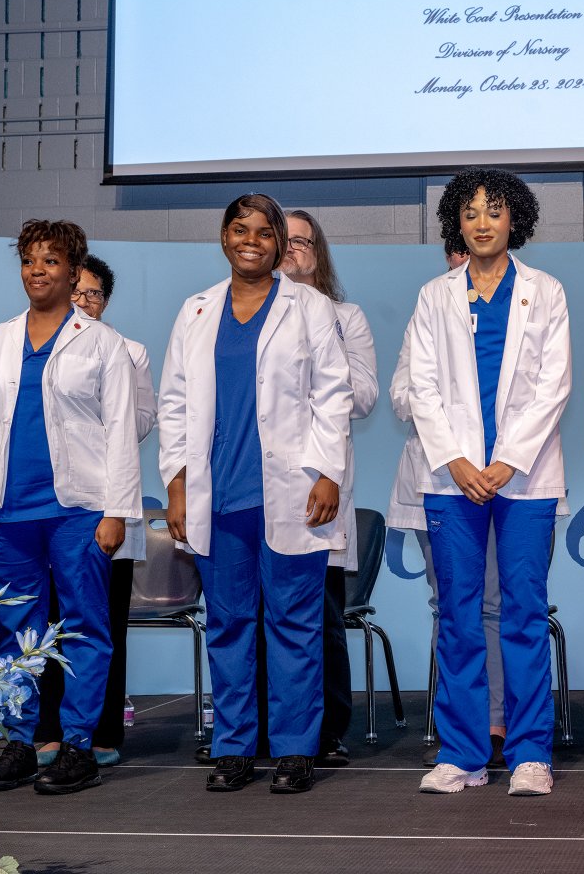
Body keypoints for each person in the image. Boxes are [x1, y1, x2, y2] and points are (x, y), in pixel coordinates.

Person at [157, 193, 352, 795]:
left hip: (290, 494)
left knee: (295, 624)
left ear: (277, 243)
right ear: (223, 237)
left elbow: (334, 395)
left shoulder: (311, 307)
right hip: (218, 498)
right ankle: (235, 747)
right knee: (229, 625)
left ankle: (295, 749)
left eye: (265, 233)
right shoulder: (195, 311)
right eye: (240, 230)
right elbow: (174, 404)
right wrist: (177, 485)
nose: (252, 241)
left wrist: (327, 473)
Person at [0, 220, 142, 796]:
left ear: (73, 269)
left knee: (85, 627)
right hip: (5, 514)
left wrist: (117, 511)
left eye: (51, 262)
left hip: (77, 510)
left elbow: (120, 433)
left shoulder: (103, 343)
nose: (38, 271)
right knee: (15, 629)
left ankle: (79, 744)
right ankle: (21, 741)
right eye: (29, 261)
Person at [405, 168, 571, 796]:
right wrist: (455, 461)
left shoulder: (546, 292)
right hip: (454, 480)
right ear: (457, 221)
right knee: (459, 616)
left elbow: (554, 384)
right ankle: (463, 754)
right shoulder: (433, 297)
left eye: (494, 212)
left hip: (523, 479)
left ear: (514, 221)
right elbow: (421, 387)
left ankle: (530, 754)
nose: (481, 222)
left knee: (524, 612)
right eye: (470, 212)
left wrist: (507, 460)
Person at [33, 254, 158, 769]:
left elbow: (143, 420)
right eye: (76, 292)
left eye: (93, 294)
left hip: (108, 506)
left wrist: (99, 412)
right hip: (48, 508)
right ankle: (48, 729)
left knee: (104, 622)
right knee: (49, 624)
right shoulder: (35, 348)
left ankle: (103, 729)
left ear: (106, 301)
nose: (83, 302)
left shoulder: (128, 352)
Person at [387, 244, 510, 769]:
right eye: (458, 248)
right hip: (440, 480)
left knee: (495, 607)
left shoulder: (521, 304)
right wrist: (444, 419)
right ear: (449, 255)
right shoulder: (430, 307)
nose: (469, 255)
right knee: (453, 609)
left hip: (505, 481)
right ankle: (460, 724)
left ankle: (497, 721)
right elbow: (401, 395)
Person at [279, 209, 379, 766]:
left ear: (319, 254)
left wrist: (319, 330)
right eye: (283, 241)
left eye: (303, 242)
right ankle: (269, 728)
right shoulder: (243, 318)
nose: (293, 250)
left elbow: (362, 399)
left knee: (320, 616)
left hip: (321, 483)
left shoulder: (347, 317)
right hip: (258, 488)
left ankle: (326, 729)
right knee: (265, 614)